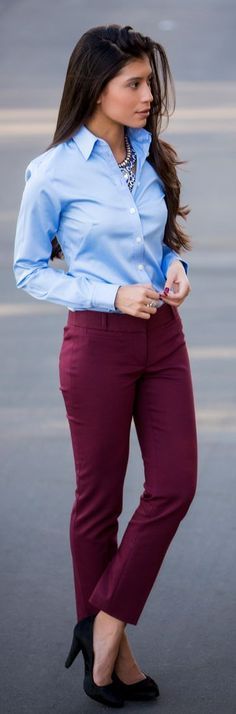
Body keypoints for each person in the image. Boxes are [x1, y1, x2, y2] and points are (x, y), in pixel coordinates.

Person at [13, 23, 198, 709]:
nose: (149, 95)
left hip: (164, 338)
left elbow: (165, 241)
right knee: (100, 503)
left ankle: (103, 622)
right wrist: (108, 294)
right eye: (135, 84)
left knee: (175, 485)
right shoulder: (54, 171)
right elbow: (28, 268)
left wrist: (174, 271)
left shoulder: (150, 156)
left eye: (149, 82)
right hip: (97, 342)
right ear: (97, 88)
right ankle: (116, 658)